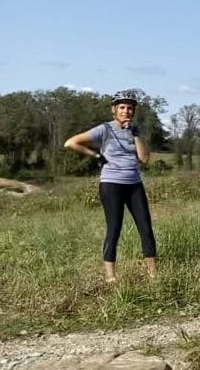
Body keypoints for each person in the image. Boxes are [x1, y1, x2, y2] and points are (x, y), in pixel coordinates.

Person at [64, 90, 156, 283]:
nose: (126, 111)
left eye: (129, 108)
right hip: (111, 184)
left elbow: (144, 158)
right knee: (114, 228)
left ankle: (153, 275)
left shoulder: (135, 130)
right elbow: (71, 142)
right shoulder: (105, 129)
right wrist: (97, 156)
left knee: (146, 228)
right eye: (122, 107)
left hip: (134, 184)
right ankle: (110, 277)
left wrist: (135, 134)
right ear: (114, 110)